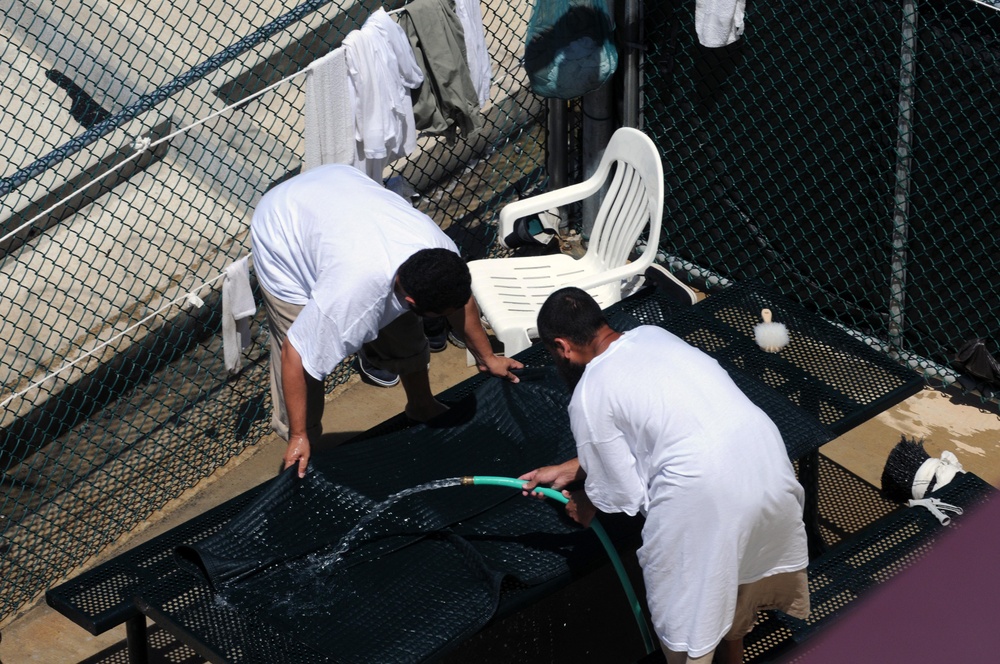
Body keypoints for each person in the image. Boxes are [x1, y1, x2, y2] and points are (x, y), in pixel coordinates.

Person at [519, 287, 809, 663]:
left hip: (706, 493)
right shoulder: (653, 334)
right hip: (768, 467)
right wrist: (572, 467)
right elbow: (664, 426)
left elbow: (621, 495)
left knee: (689, 626)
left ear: (561, 347)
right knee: (735, 578)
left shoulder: (589, 392)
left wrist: (586, 502)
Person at [251, 164, 522, 478]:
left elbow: (461, 302)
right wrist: (299, 432)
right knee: (302, 350)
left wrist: (486, 357)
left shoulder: (441, 253)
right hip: (281, 227)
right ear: (410, 300)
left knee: (404, 327)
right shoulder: (352, 300)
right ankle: (304, 443)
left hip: (338, 190)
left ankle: (421, 404)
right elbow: (294, 355)